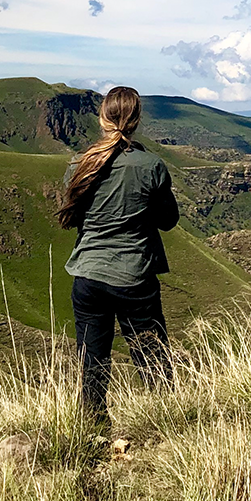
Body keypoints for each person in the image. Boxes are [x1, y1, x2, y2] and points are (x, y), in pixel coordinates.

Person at [56, 86, 179, 423]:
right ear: (137, 121)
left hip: (88, 276)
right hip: (134, 276)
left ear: (102, 119)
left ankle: (92, 428)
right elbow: (169, 220)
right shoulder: (151, 165)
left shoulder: (80, 165)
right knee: (152, 358)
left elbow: (72, 217)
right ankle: (167, 426)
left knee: (92, 361)